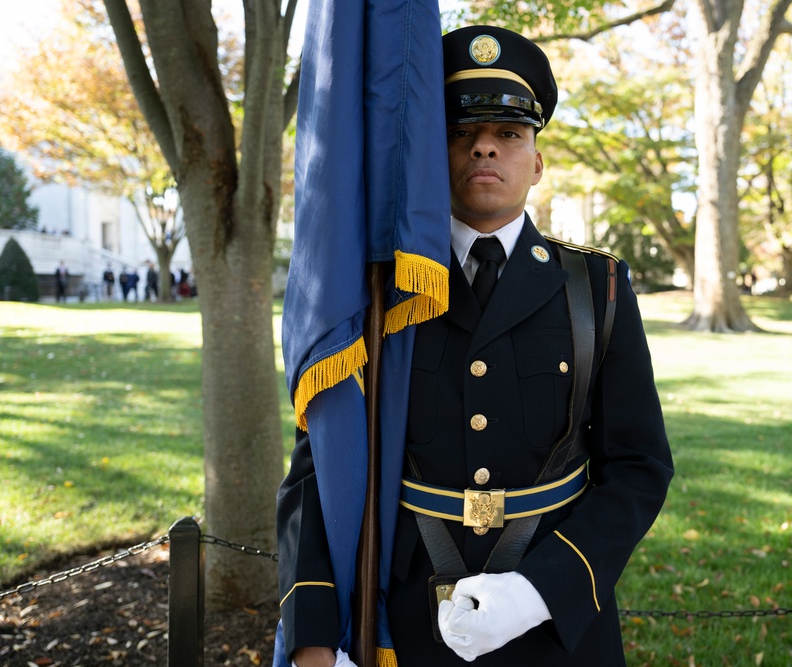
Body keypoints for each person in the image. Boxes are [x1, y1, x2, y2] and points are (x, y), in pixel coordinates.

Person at [278, 26, 673, 667]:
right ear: (433, 154)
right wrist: (314, 640)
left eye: (509, 134)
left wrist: (539, 590)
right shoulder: (381, 292)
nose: (484, 147)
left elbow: (639, 466)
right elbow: (320, 465)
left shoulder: (597, 286)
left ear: (536, 162)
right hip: (404, 621)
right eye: (460, 133)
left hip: (556, 623)